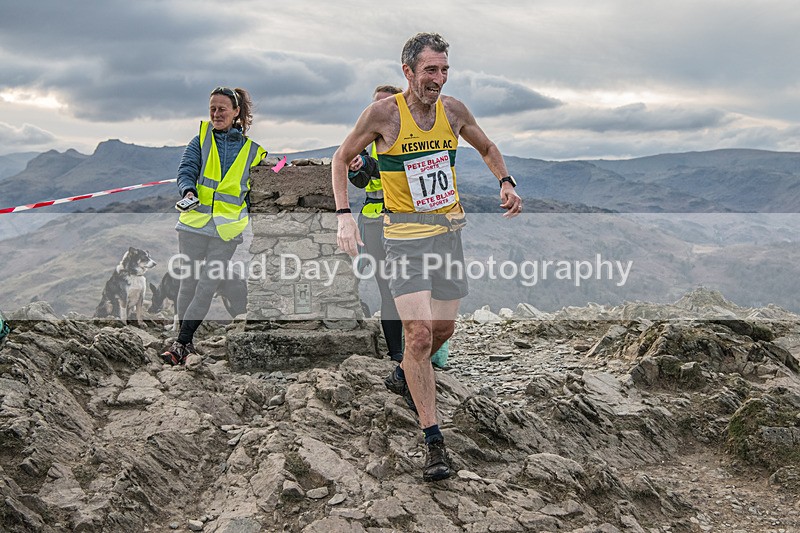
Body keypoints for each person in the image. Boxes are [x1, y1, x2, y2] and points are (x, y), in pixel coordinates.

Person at [332, 33, 522, 481]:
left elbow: (487, 147)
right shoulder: (383, 114)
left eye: (444, 71)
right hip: (404, 240)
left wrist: (505, 180)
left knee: (442, 330)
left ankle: (405, 371)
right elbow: (341, 159)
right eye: (429, 71)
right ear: (408, 72)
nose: (437, 79)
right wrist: (344, 216)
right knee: (418, 335)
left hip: (448, 235)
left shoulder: (452, 111)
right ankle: (434, 443)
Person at [162, 86, 267, 365]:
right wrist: (188, 192)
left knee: (207, 286)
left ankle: (181, 343)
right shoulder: (200, 140)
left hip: (226, 231)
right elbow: (186, 171)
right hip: (193, 224)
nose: (216, 114)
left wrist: (290, 167)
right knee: (188, 284)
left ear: (236, 112)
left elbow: (274, 170)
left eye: (221, 109)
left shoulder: (252, 151)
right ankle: (183, 342)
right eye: (212, 109)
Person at [348, 85, 404, 363]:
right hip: (373, 224)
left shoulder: (407, 135)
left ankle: (422, 347)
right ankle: (396, 354)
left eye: (384, 104)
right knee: (387, 287)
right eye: (374, 105)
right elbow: (362, 182)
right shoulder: (367, 141)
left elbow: (396, 168)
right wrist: (356, 168)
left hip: (405, 224)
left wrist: (367, 163)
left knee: (411, 285)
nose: (376, 110)